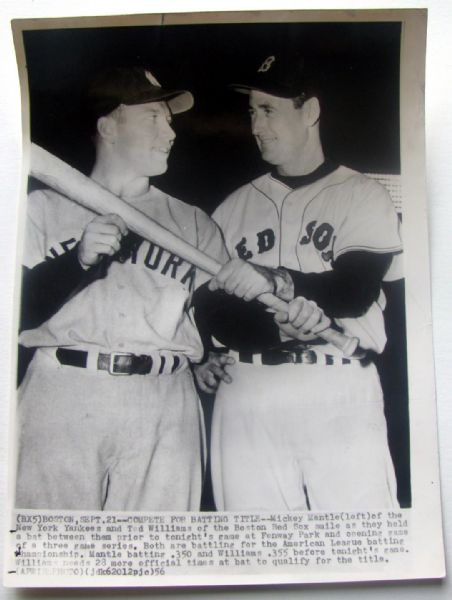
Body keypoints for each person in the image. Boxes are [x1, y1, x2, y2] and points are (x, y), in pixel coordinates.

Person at [194, 53, 402, 511]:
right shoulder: (231, 208)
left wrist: (277, 279)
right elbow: (210, 309)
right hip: (247, 386)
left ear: (310, 112)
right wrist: (279, 329)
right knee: (255, 554)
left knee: (359, 546)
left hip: (338, 383)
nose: (255, 125)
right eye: (251, 111)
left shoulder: (363, 194)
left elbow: (355, 289)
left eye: (268, 109)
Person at [16, 66, 228, 511]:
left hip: (166, 397)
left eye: (169, 119)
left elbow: (215, 316)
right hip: (64, 393)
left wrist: (244, 302)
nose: (170, 131)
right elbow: (13, 314)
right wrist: (76, 262)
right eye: (153, 116)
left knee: (162, 559)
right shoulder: (40, 208)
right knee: (55, 553)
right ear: (107, 127)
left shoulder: (193, 222)